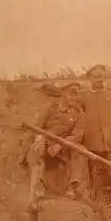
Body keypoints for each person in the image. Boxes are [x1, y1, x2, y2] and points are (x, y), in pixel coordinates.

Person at [21, 82, 89, 211]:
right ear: (63, 93)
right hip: (45, 142)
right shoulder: (50, 108)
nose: (74, 97)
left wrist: (60, 145)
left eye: (77, 94)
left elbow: (77, 135)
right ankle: (39, 186)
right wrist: (40, 139)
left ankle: (72, 187)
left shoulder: (79, 115)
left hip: (63, 147)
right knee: (37, 148)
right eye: (72, 93)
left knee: (81, 150)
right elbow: (37, 127)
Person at [79, 64, 111, 206]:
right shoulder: (85, 97)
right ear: (90, 79)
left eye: (101, 76)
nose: (99, 80)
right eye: (96, 77)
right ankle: (100, 205)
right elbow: (79, 117)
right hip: (92, 141)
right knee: (95, 173)